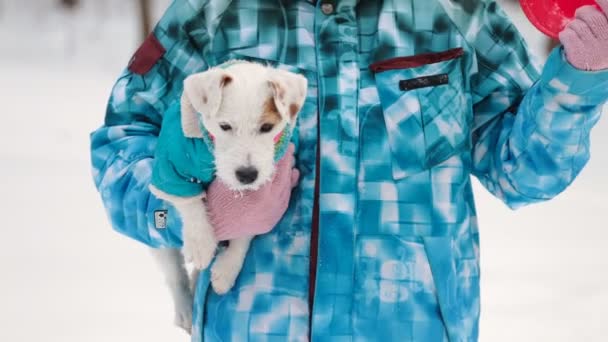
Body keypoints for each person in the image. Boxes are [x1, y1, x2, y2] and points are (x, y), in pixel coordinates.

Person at [90, 0, 608, 340]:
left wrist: (578, 79)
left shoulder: (454, 13)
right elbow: (119, 144)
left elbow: (524, 172)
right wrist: (195, 216)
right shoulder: (217, 13)